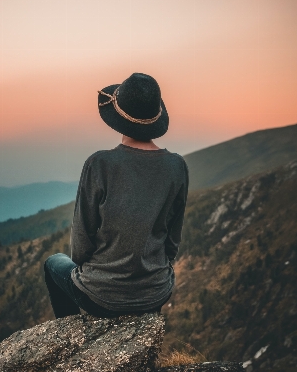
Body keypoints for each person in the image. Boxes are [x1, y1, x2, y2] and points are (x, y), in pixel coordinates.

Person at [44, 72, 189, 318]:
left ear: (118, 118)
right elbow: (172, 243)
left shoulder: (99, 164)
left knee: (53, 263)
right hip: (155, 294)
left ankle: (68, 338)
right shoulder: (177, 166)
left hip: (101, 297)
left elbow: (80, 248)